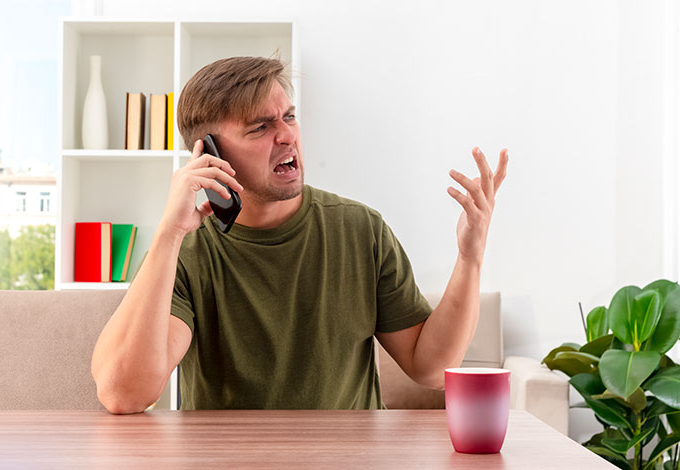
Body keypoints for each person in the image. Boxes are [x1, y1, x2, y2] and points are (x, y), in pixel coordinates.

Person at [91, 56, 508, 414]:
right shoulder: (187, 250)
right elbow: (125, 394)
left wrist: (470, 257)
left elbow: (431, 368)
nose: (287, 134)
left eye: (289, 116)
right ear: (209, 155)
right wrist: (168, 233)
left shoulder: (361, 230)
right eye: (259, 127)